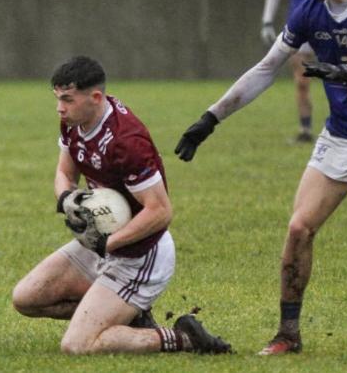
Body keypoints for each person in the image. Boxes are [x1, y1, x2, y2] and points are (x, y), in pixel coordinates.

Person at [174, 0, 347, 355]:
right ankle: (288, 335)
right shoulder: (308, 12)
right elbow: (266, 68)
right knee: (299, 228)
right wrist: (211, 118)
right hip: (345, 132)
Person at [12, 56, 232, 356]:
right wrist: (67, 199)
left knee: (77, 345)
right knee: (25, 298)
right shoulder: (73, 122)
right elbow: (65, 173)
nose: (59, 108)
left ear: (96, 97)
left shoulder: (126, 142)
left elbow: (161, 211)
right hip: (101, 245)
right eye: (57, 99)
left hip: (141, 257)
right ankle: (128, 316)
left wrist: (109, 242)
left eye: (67, 100)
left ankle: (184, 338)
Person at [260, 0, 318, 143]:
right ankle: (306, 130)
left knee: (343, 78)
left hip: (328, 25)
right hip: (300, 27)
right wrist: (267, 21)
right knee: (302, 80)